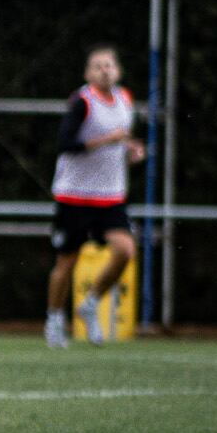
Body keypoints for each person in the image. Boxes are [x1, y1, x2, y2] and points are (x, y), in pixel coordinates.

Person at [45, 45, 145, 347]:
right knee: (66, 262)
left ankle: (90, 303)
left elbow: (120, 142)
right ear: (88, 73)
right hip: (74, 195)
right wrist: (106, 141)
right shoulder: (82, 102)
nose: (105, 70)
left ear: (118, 70)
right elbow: (65, 144)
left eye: (110, 65)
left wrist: (132, 150)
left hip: (110, 196)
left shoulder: (125, 100)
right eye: (98, 66)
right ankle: (54, 318)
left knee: (126, 250)